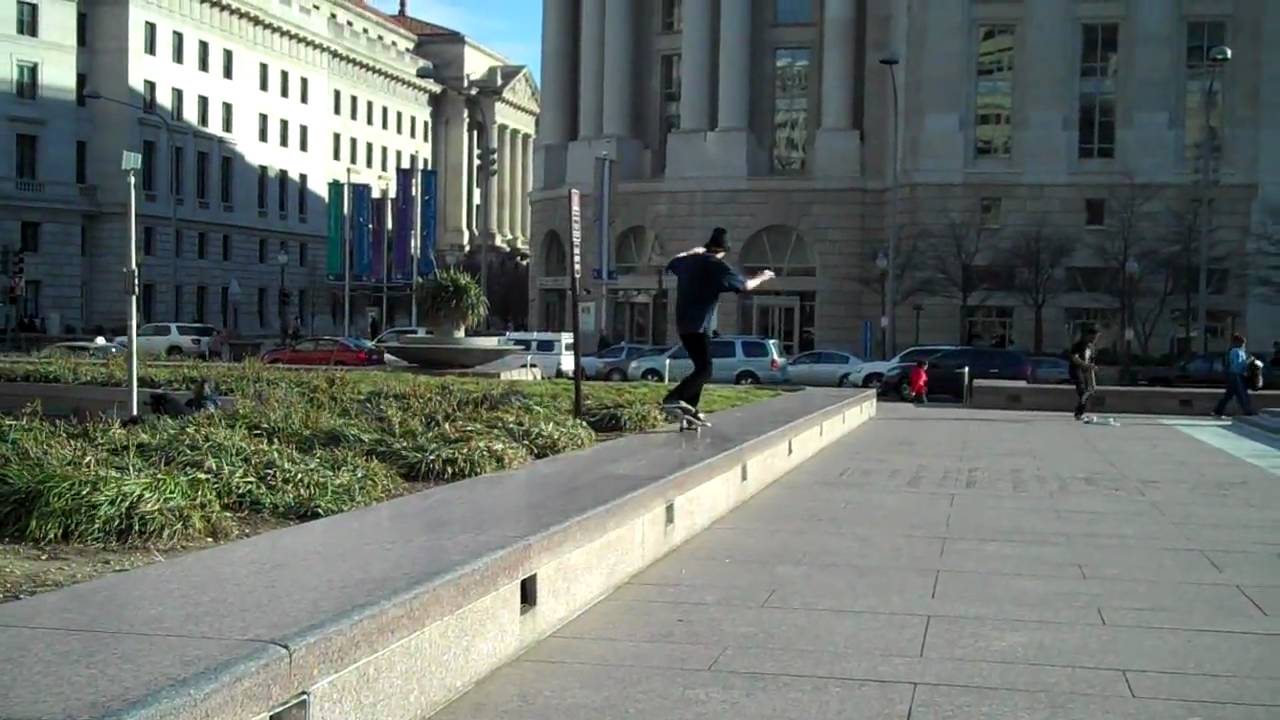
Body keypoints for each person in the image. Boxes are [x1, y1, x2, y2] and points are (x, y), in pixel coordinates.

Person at [662, 227, 775, 422]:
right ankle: (674, 398)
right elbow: (745, 286)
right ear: (723, 251)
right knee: (706, 369)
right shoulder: (715, 265)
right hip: (700, 326)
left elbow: (671, 263)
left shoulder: (688, 261)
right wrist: (762, 277)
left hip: (683, 325)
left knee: (700, 367)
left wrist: (691, 252)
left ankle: (689, 408)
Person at [1213, 334, 1255, 417]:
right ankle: (1247, 411)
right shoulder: (1236, 351)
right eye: (1243, 343)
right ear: (1238, 343)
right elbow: (1237, 365)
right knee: (1242, 393)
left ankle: (1218, 411)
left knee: (1229, 394)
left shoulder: (1238, 351)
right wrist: (1248, 361)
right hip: (1236, 375)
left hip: (1234, 375)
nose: (1244, 345)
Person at [1068, 327, 1099, 420]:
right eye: (1093, 337)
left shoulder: (1092, 348)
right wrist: (1086, 365)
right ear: (1088, 336)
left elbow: (1091, 361)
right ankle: (1079, 413)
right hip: (1076, 370)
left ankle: (1079, 412)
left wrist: (1092, 368)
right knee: (1082, 392)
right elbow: (1074, 358)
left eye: (1096, 338)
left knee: (1089, 391)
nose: (1095, 340)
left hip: (1085, 371)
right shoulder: (1078, 345)